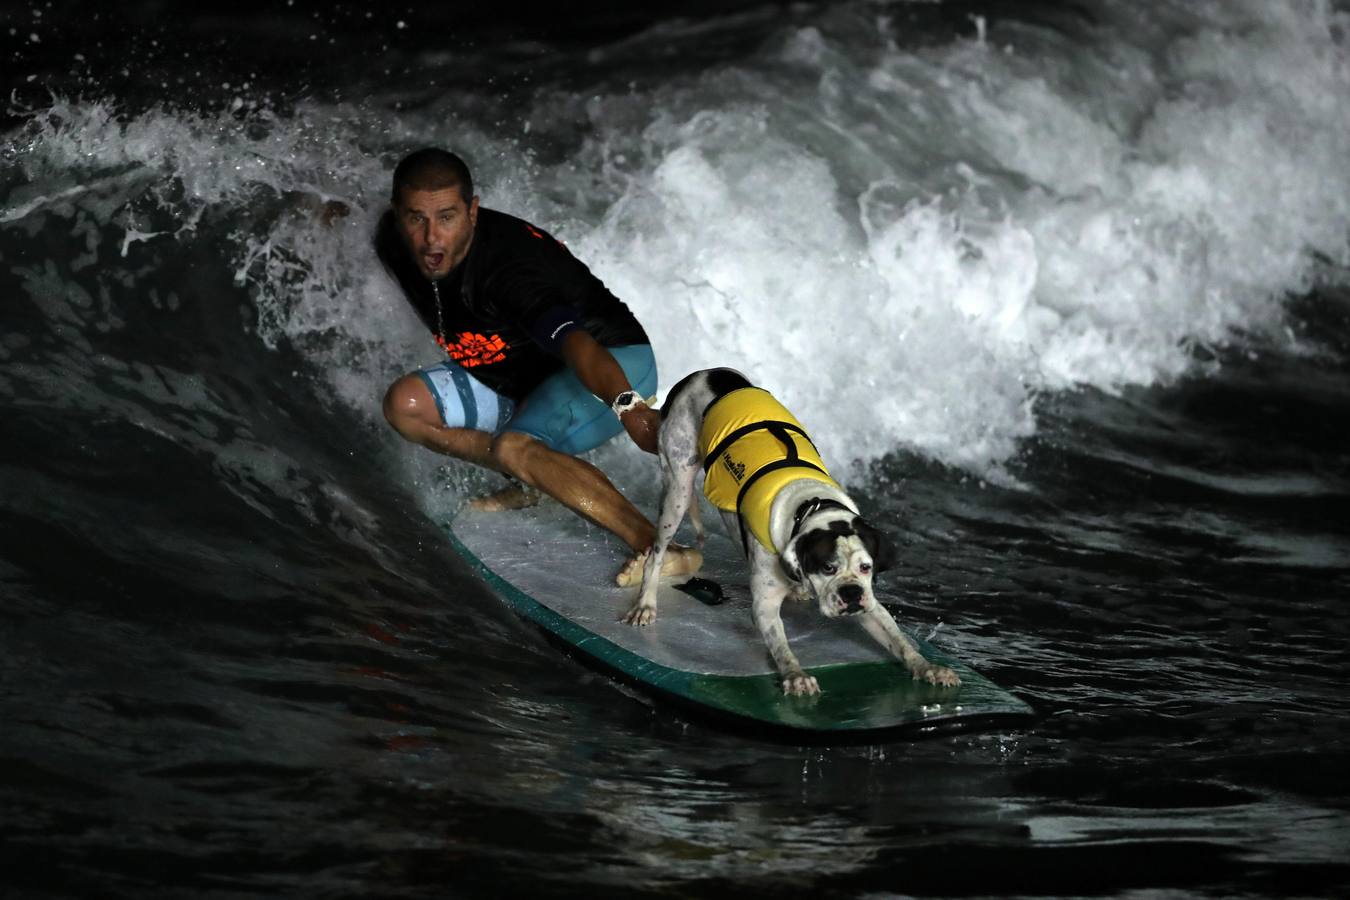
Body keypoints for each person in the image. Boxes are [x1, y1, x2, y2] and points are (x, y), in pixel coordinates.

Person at [375, 148, 700, 585]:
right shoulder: (391, 240)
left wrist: (631, 408)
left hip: (612, 362)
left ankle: (660, 549)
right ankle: (535, 480)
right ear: (398, 214)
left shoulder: (508, 273)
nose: (432, 239)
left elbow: (575, 343)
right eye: (416, 218)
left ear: (473, 211)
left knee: (515, 445)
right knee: (404, 406)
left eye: (447, 217)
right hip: (520, 376)